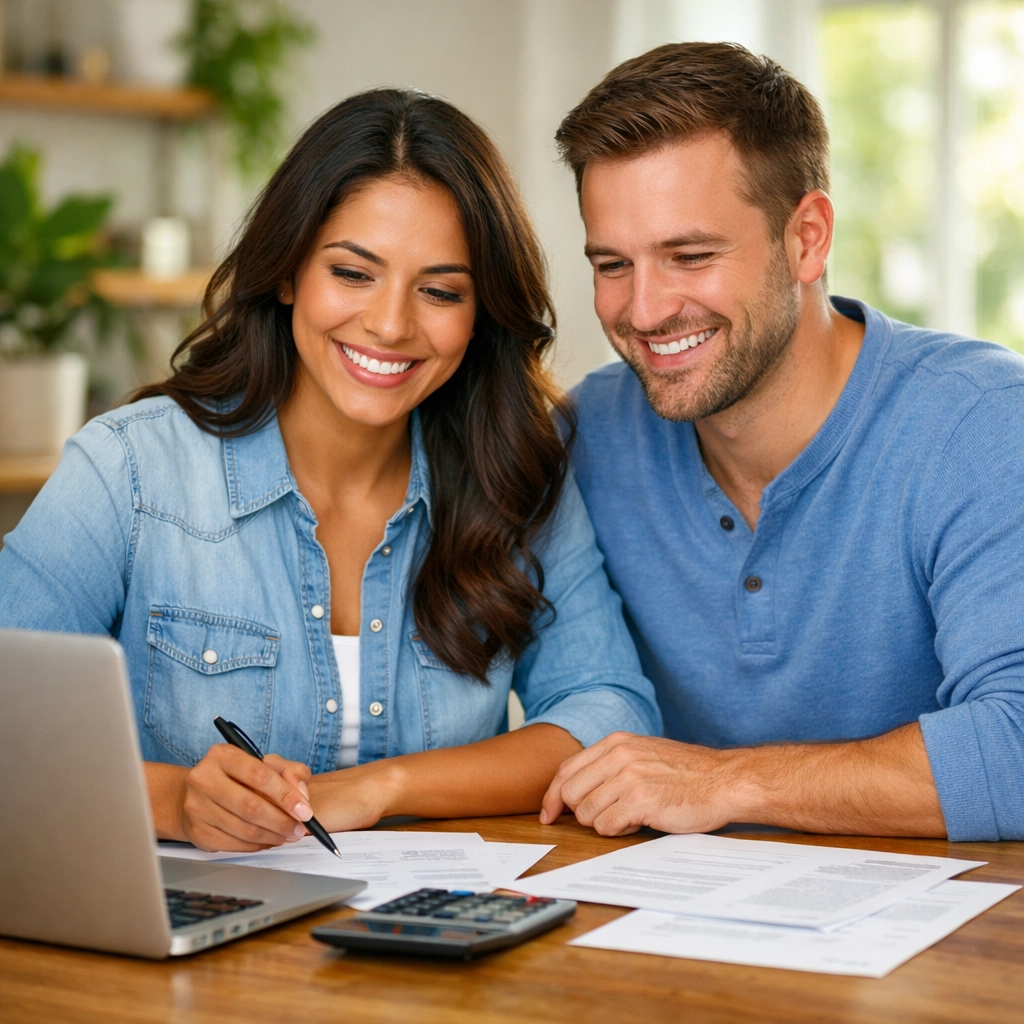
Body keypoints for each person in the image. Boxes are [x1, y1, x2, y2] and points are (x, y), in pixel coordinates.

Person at [0, 88, 660, 853]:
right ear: (288, 273)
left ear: (480, 315)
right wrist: (175, 802)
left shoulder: (515, 475)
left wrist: (381, 787)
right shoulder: (130, 469)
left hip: (432, 918)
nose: (390, 324)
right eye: (352, 273)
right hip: (191, 918)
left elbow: (607, 712)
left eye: (440, 291)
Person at [539, 42, 1024, 842]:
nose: (645, 311)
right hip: (673, 910)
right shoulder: (588, 437)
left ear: (807, 238)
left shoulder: (983, 424)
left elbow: (1016, 745)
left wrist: (729, 781)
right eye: (613, 264)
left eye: (690, 256)